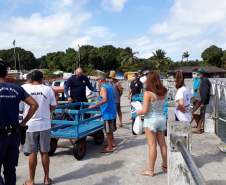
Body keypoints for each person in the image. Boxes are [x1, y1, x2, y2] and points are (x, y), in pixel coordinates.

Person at [0, 61, 38, 185]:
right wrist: (24, 122)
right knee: (10, 170)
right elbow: (34, 104)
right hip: (13, 136)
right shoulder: (17, 89)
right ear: (6, 73)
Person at [22, 70, 57, 185]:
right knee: (44, 152)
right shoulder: (48, 89)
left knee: (32, 153)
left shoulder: (24, 88)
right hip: (45, 125)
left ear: (31, 79)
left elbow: (20, 106)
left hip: (30, 125)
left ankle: (31, 180)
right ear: (42, 79)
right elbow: (53, 106)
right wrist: (46, 110)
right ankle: (47, 179)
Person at [136, 71, 168, 176]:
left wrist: (138, 111)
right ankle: (165, 166)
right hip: (161, 119)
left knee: (152, 145)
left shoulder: (148, 93)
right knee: (163, 144)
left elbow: (144, 110)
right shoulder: (163, 91)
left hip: (150, 120)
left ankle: (150, 170)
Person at [89, 74, 117, 153]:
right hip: (112, 110)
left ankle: (110, 147)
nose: (97, 82)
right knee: (110, 130)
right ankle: (112, 143)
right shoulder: (110, 86)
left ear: (101, 80)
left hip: (107, 112)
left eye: (97, 80)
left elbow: (104, 99)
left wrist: (94, 105)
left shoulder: (103, 88)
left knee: (108, 131)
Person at [193, 68, 211, 133]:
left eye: (199, 73)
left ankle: (199, 129)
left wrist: (203, 102)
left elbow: (205, 92)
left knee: (196, 113)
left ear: (202, 74)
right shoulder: (202, 80)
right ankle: (198, 127)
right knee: (196, 113)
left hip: (201, 101)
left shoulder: (205, 80)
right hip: (199, 100)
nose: (198, 74)